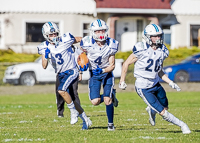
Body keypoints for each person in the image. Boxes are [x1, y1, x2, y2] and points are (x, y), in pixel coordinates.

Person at [119, 24, 191, 134]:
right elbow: (126, 63)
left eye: (159, 36)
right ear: (148, 37)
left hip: (156, 84)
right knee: (163, 112)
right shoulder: (141, 49)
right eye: (155, 36)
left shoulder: (162, 50)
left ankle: (151, 110)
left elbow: (159, 71)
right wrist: (122, 81)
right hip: (144, 87)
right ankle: (183, 125)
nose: (158, 38)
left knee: (165, 107)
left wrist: (170, 82)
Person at [37, 22, 92, 130]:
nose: (54, 37)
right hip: (60, 74)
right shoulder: (44, 47)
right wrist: (46, 56)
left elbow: (81, 39)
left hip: (71, 71)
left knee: (61, 90)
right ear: (46, 36)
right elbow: (44, 65)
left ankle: (72, 112)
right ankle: (86, 120)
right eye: (51, 35)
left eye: (55, 34)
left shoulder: (65, 39)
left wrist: (85, 49)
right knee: (72, 100)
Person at [79, 19, 119, 131]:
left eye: (103, 31)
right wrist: (81, 70)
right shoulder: (86, 43)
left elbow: (112, 65)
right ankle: (112, 95)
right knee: (95, 101)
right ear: (93, 32)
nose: (101, 33)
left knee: (107, 100)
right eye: (98, 31)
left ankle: (110, 124)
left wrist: (103, 71)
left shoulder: (111, 44)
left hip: (106, 73)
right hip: (94, 74)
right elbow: (81, 57)